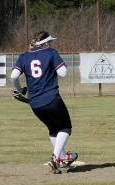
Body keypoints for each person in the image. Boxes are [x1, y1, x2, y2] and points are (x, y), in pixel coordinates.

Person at [10, 31, 78, 174]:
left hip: (34, 103)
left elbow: (13, 76)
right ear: (45, 43)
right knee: (65, 128)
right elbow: (63, 73)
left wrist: (19, 90)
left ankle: (63, 157)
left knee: (54, 130)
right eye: (50, 42)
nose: (51, 44)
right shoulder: (51, 53)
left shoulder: (24, 56)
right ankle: (56, 158)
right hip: (52, 98)